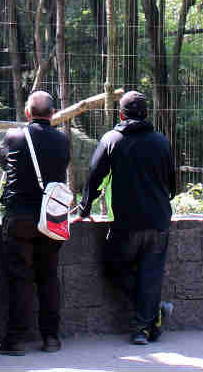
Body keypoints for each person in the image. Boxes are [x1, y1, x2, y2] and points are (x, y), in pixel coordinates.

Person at [78, 90, 176, 345]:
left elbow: (94, 176)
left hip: (126, 222)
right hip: (158, 220)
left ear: (121, 114)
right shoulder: (161, 141)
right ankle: (148, 321)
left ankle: (147, 323)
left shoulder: (112, 140)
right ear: (146, 114)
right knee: (151, 275)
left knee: (114, 268)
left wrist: (84, 208)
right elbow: (173, 186)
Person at [0, 90, 71, 356]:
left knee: (19, 277)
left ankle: (15, 341)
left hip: (20, 217)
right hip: (51, 218)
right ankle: (52, 338)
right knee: (48, 278)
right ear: (53, 114)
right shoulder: (63, 140)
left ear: (27, 113)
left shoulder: (14, 137)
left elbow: (3, 163)